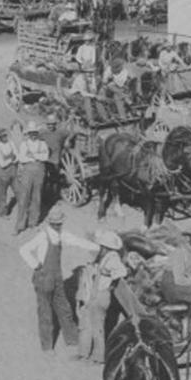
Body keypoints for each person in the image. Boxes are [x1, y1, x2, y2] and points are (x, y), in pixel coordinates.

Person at [19, 203, 97, 353]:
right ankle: (47, 347)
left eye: (59, 224)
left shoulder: (62, 235)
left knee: (64, 307)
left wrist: (97, 247)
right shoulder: (43, 236)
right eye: (57, 224)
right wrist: (35, 265)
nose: (58, 226)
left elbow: (77, 241)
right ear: (52, 224)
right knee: (45, 313)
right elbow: (24, 249)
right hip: (43, 278)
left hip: (57, 277)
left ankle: (72, 338)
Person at [77, 229, 127, 363]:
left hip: (102, 294)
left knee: (97, 327)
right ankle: (84, 352)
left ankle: (99, 356)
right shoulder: (106, 258)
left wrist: (110, 282)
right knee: (89, 324)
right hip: (96, 294)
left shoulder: (113, 258)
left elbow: (121, 272)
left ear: (106, 247)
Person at [14, 122, 50, 234]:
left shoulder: (42, 144)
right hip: (27, 171)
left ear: (37, 133)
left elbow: (45, 156)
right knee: (24, 197)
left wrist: (33, 155)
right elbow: (22, 158)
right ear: (28, 134)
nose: (33, 135)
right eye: (31, 133)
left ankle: (33, 222)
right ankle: (19, 225)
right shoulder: (24, 144)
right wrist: (35, 157)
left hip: (39, 171)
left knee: (37, 197)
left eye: (35, 133)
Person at [42, 113, 68, 207]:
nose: (50, 126)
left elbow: (70, 133)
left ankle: (54, 198)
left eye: (52, 124)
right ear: (46, 125)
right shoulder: (42, 133)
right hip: (45, 160)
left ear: (55, 124)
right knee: (44, 179)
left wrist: (68, 141)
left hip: (56, 160)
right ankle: (44, 198)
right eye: (49, 124)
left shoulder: (60, 132)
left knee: (55, 180)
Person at [0, 127, 18, 217]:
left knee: (18, 190)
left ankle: (22, 210)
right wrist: (12, 158)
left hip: (13, 170)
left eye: (5, 135)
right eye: (2, 136)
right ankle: (3, 213)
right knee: (3, 193)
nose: (4, 137)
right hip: (3, 172)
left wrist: (11, 159)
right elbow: (2, 163)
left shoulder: (11, 143)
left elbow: (17, 155)